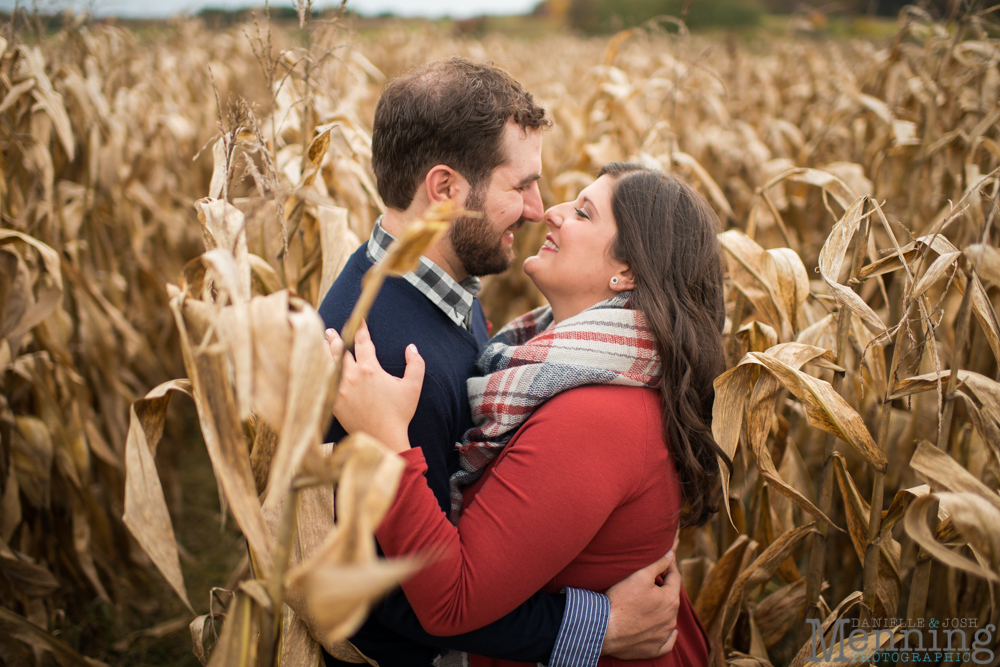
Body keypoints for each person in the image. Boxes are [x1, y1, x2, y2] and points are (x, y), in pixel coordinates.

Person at [317, 58, 683, 667]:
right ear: (445, 189)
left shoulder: (444, 296)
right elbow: (392, 592)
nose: (541, 209)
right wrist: (602, 627)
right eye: (521, 186)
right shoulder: (375, 352)